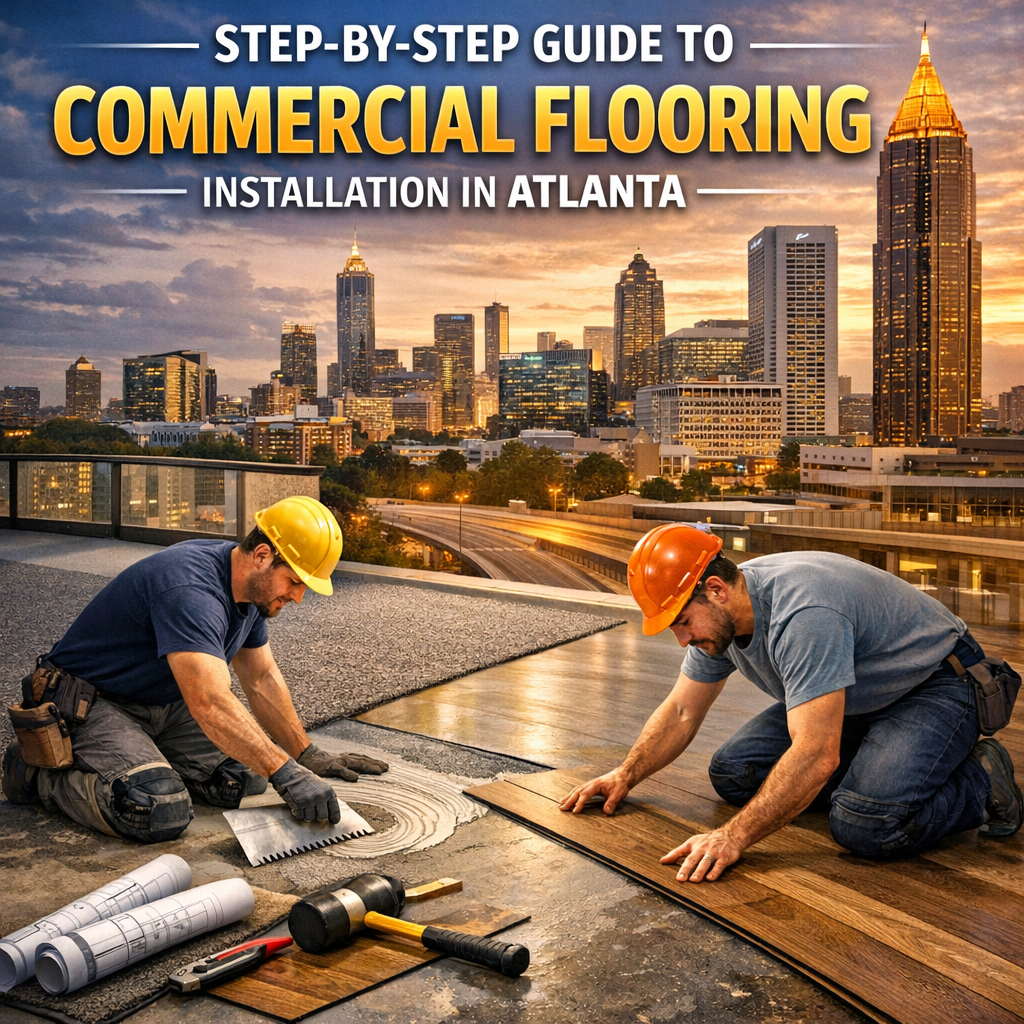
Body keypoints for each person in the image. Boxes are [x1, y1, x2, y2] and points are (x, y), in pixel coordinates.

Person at [560, 523, 1021, 882]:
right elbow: (683, 710)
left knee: (866, 827)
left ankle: (980, 779)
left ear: (716, 591)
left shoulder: (803, 615)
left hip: (937, 682)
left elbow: (817, 754)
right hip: (859, 691)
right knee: (734, 772)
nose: (682, 639)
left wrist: (732, 837)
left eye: (682, 622)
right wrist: (626, 773)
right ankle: (878, 773)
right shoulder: (724, 622)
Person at [2, 495, 388, 843]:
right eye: (295, 581)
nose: (299, 597)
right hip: (89, 701)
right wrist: (286, 774)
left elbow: (260, 678)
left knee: (243, 779)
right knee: (153, 808)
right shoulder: (191, 590)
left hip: (161, 702)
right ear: (262, 556)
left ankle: (141, 760)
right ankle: (36, 773)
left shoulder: (250, 592)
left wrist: (304, 754)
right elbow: (209, 702)